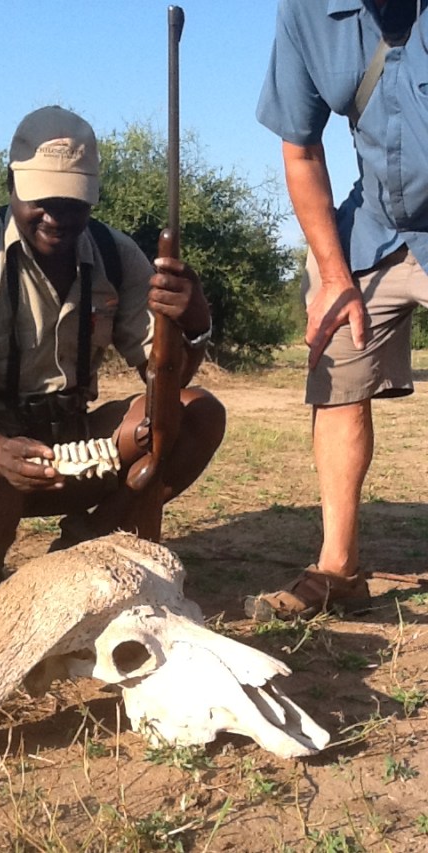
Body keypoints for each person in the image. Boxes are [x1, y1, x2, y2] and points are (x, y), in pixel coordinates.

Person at [0, 105, 226, 601]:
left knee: (196, 412)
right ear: (11, 183)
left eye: (73, 202)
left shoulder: (115, 256)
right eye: (42, 199)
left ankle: (91, 539)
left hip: (69, 442)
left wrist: (194, 324)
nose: (57, 216)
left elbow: (164, 382)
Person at [245, 0, 428, 621]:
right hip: (376, 226)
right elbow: (301, 150)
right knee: (336, 359)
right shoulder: (305, 12)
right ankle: (338, 570)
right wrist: (332, 275)